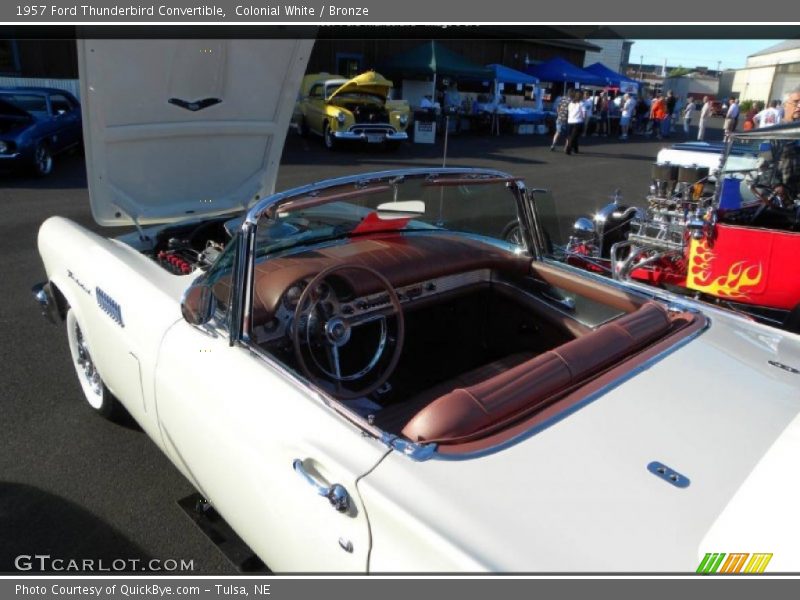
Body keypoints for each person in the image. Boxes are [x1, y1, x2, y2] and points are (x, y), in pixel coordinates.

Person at [565, 90, 586, 155]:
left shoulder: (570, 103)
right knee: (573, 137)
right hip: (578, 122)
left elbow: (568, 112)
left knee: (571, 136)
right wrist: (583, 120)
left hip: (570, 121)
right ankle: (568, 148)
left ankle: (575, 149)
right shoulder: (581, 104)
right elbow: (584, 114)